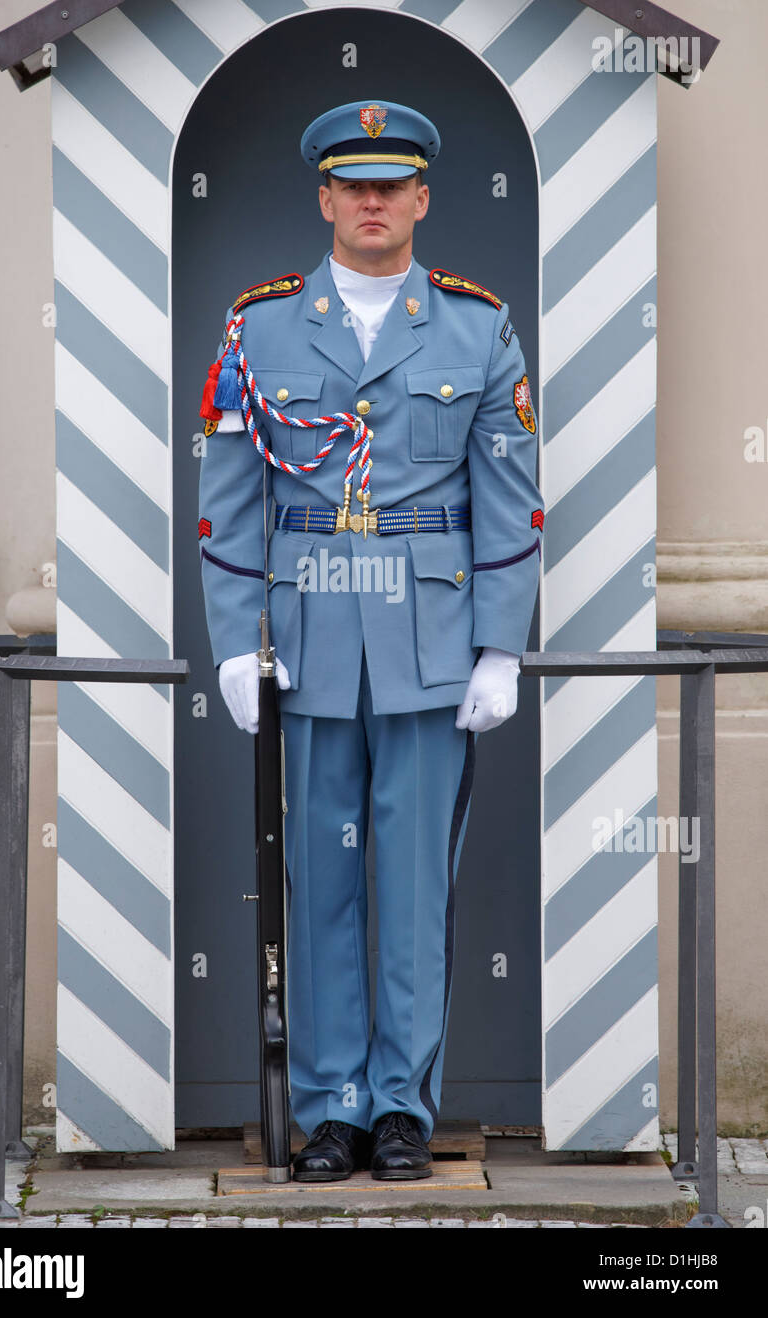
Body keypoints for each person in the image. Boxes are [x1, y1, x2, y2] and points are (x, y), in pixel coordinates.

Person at [197, 99, 544, 1182]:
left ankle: (401, 1104)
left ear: (423, 198)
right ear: (325, 198)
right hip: (303, 637)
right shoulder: (255, 329)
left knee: (410, 884)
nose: (373, 199)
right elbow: (228, 500)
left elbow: (509, 497)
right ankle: (330, 1107)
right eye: (354, 183)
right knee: (318, 881)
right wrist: (231, 641)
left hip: (431, 644)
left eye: (392, 183)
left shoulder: (476, 327)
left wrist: (501, 643)